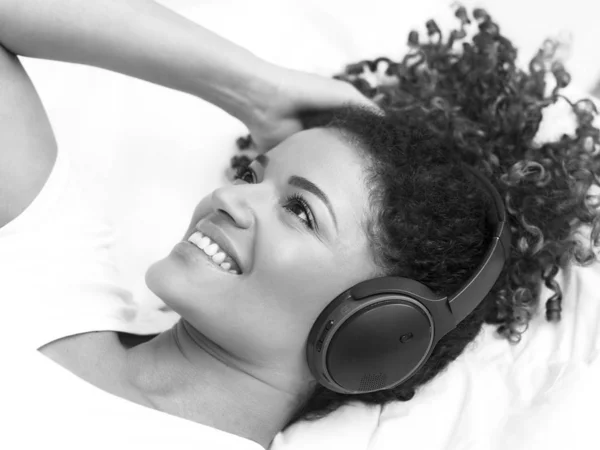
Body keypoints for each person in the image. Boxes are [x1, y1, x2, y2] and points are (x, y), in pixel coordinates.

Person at [0, 1, 598, 450]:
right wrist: (254, 89)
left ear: (377, 328)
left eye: (300, 211)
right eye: (254, 175)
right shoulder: (54, 275)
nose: (230, 198)